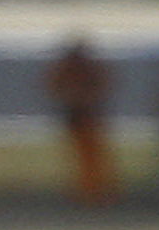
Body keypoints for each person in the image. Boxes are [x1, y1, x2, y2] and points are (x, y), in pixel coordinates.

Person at [46, 38, 116, 207]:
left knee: (93, 155)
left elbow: (103, 86)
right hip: (76, 113)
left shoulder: (86, 69)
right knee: (83, 155)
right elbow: (54, 86)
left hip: (89, 113)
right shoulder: (69, 69)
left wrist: (84, 99)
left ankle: (96, 191)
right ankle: (88, 191)